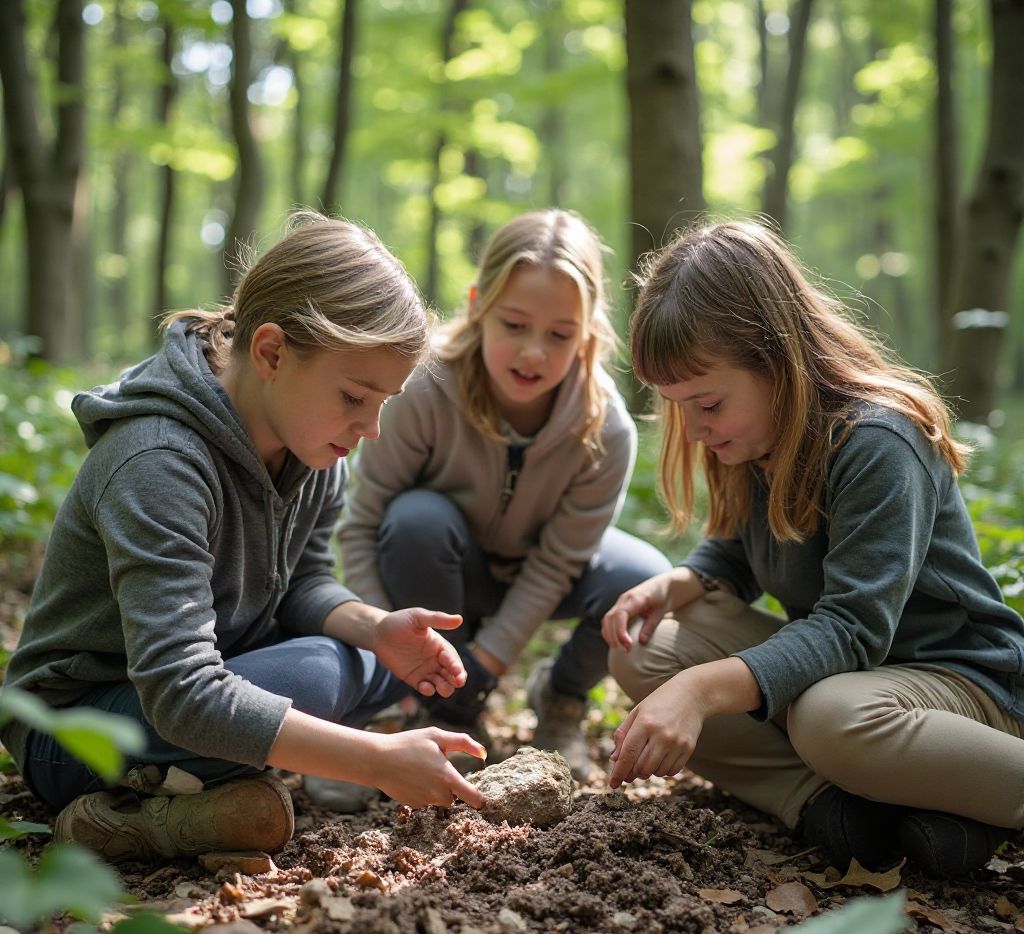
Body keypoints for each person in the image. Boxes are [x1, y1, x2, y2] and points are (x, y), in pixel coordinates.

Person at [0, 211, 486, 865]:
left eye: (384, 402)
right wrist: (373, 759)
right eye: (353, 396)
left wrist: (375, 627)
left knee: (376, 661)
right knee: (316, 674)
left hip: (213, 670)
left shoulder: (313, 443)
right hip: (75, 728)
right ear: (271, 352)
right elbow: (179, 690)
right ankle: (141, 816)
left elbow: (305, 581)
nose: (369, 427)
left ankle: (185, 801)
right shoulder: (158, 460)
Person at [602, 220, 1024, 879]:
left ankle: (980, 779)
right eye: (675, 405)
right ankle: (840, 810)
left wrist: (702, 690)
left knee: (829, 717)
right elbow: (740, 551)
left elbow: (853, 630)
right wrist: (683, 581)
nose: (691, 426)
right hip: (857, 685)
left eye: (706, 402)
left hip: (960, 684)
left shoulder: (878, 442)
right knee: (646, 649)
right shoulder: (751, 437)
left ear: (776, 361)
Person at [332, 209, 670, 794]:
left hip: (534, 573)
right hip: (440, 567)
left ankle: (558, 697)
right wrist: (381, 646)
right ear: (478, 305)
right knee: (416, 519)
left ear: (587, 330)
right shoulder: (421, 386)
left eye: (560, 334)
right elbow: (361, 527)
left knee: (645, 580)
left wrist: (487, 664)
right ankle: (417, 710)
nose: (533, 352)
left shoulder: (604, 426)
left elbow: (558, 564)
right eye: (514, 324)